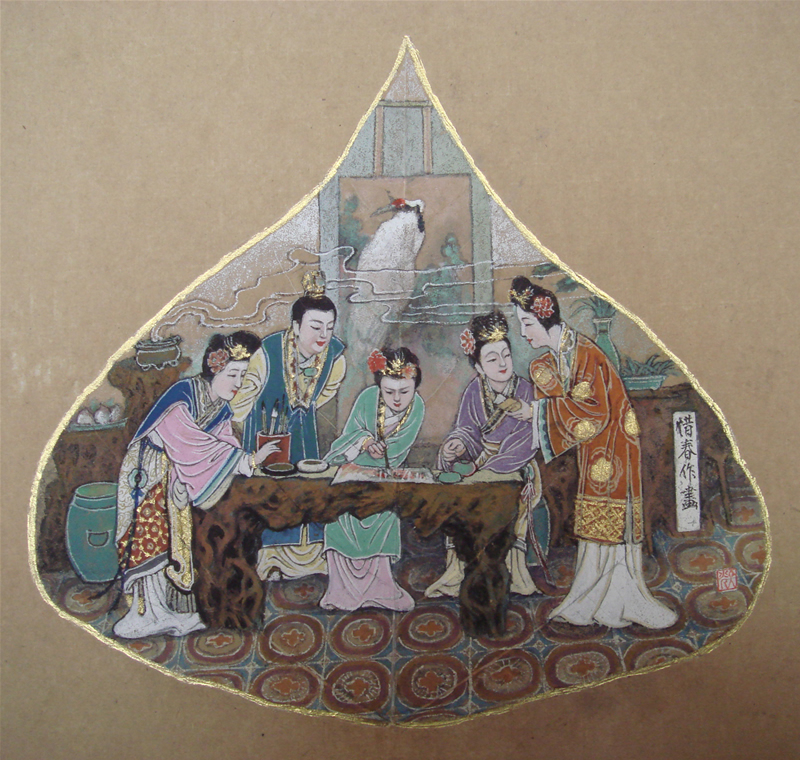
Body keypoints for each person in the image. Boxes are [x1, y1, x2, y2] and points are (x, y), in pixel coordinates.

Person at [508, 276, 677, 629]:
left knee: (610, 525)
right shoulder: (560, 355)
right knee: (596, 525)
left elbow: (595, 412)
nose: (523, 333)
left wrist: (534, 412)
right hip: (596, 447)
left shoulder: (586, 354)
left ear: (544, 318)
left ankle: (616, 597)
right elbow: (566, 398)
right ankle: (594, 595)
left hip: (613, 446)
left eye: (526, 323)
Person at [113, 331, 281, 639]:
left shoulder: (219, 406)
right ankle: (144, 614)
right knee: (152, 539)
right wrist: (245, 460)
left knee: (176, 539)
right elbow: (192, 444)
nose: (238, 382)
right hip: (149, 473)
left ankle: (165, 610)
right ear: (215, 369)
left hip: (174, 474)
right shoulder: (183, 395)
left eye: (243, 375)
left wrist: (247, 464)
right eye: (232, 374)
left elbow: (224, 441)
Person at [231, 271, 346, 582]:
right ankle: (269, 560)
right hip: (266, 433)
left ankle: (310, 559)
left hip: (304, 434)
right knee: (271, 495)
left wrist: (303, 404)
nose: (323, 335)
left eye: (329, 327)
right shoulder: (267, 352)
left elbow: (326, 391)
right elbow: (244, 398)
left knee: (307, 491)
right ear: (296, 326)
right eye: (315, 326)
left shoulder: (335, 357)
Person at [425, 311, 542, 599]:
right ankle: (458, 573)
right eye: (492, 359)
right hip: (479, 462)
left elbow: (528, 438)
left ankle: (513, 575)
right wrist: (456, 443)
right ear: (478, 366)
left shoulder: (525, 390)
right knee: (457, 489)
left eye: (506, 355)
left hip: (514, 462)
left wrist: (491, 466)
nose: (502, 364)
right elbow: (467, 429)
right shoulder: (473, 391)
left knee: (506, 498)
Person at [320, 347, 425, 612]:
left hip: (385, 477)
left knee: (383, 515)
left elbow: (397, 450)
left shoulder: (417, 407)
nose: (397, 399)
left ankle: (381, 589)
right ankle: (340, 591)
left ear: (415, 387)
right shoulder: (368, 398)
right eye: (389, 392)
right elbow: (347, 438)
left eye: (404, 391)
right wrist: (364, 442)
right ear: (380, 387)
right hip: (352, 470)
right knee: (339, 514)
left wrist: (379, 452)